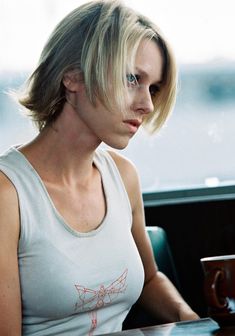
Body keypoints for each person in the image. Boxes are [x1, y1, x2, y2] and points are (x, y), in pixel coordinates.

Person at [0, 0, 199, 335]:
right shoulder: (8, 194)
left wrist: (193, 322)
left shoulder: (123, 176)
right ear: (72, 77)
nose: (147, 104)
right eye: (132, 78)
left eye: (153, 87)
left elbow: (148, 279)